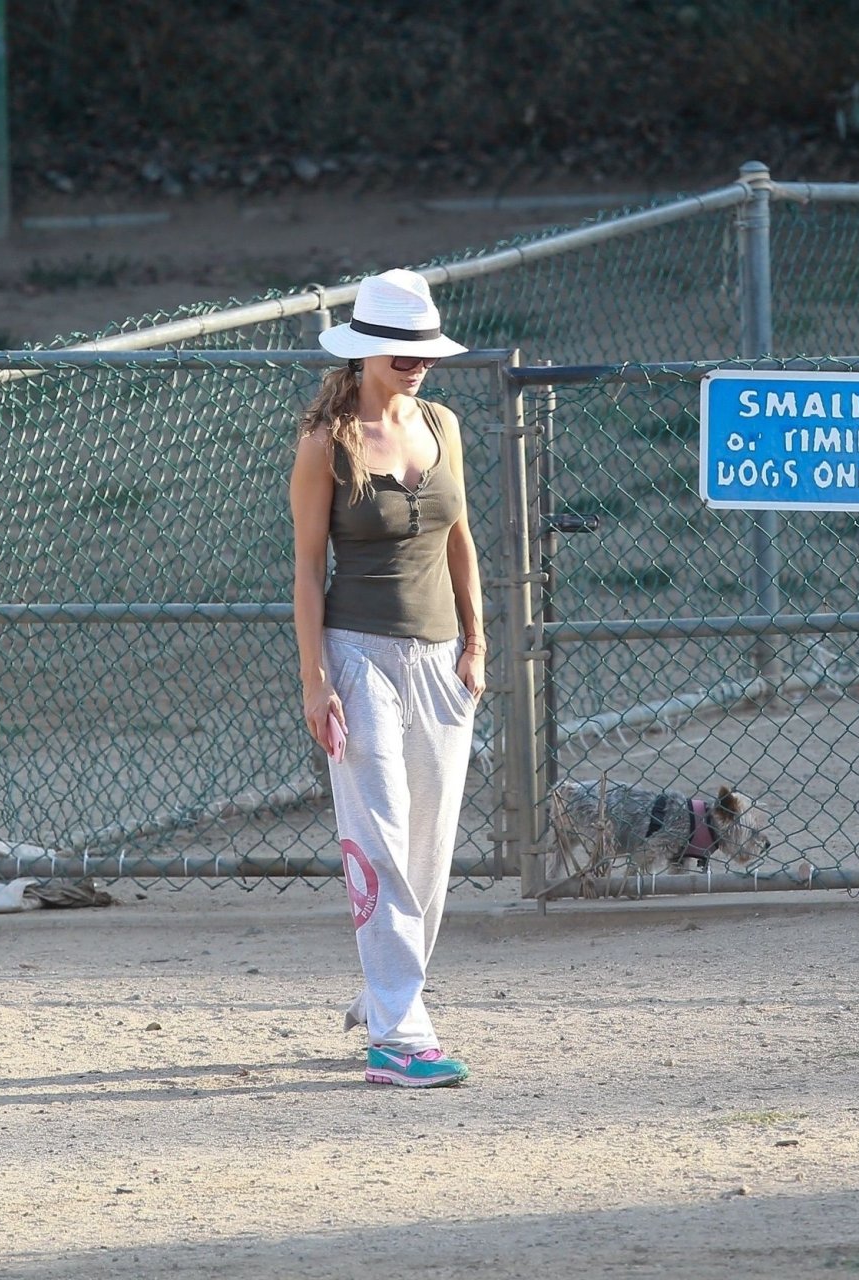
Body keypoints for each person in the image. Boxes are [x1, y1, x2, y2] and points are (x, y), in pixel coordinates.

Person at [289, 268, 483, 1088]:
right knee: (381, 842)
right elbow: (307, 569)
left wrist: (476, 644)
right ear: (365, 352)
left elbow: (460, 538)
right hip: (359, 657)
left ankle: (385, 997)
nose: (418, 364)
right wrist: (316, 680)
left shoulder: (442, 424)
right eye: (402, 353)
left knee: (429, 850)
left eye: (426, 351)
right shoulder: (325, 442)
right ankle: (399, 1040)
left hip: (441, 661)